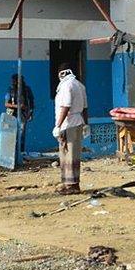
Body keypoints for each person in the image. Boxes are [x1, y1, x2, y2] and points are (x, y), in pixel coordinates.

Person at [53, 62, 87, 195]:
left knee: (67, 155)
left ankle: (71, 186)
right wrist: (86, 124)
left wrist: (58, 125)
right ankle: (73, 183)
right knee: (74, 155)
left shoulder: (67, 85)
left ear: (61, 74)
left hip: (69, 124)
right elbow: (85, 107)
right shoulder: (80, 85)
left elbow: (65, 106)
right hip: (78, 122)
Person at [4, 74, 35, 155]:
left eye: (15, 80)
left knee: (21, 134)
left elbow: (31, 102)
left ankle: (20, 153)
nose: (13, 82)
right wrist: (18, 106)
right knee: (11, 134)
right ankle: (11, 153)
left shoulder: (27, 90)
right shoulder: (10, 90)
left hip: (23, 115)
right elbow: (6, 104)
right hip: (12, 115)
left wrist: (30, 113)